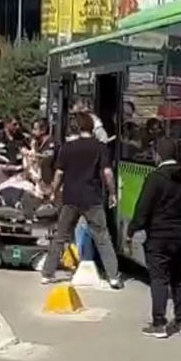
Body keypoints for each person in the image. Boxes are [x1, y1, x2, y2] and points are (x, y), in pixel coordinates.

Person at [126, 138, 181, 338]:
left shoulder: (156, 178)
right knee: (180, 280)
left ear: (158, 155)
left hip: (159, 238)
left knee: (159, 279)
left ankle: (159, 324)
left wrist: (132, 229)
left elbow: (143, 208)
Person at [40, 111, 122, 289]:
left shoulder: (67, 148)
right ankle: (113, 276)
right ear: (91, 127)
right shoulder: (100, 147)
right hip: (92, 198)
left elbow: (59, 173)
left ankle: (47, 273)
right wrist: (113, 193)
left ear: (75, 127)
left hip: (70, 197)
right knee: (102, 237)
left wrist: (53, 191)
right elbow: (107, 173)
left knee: (61, 236)